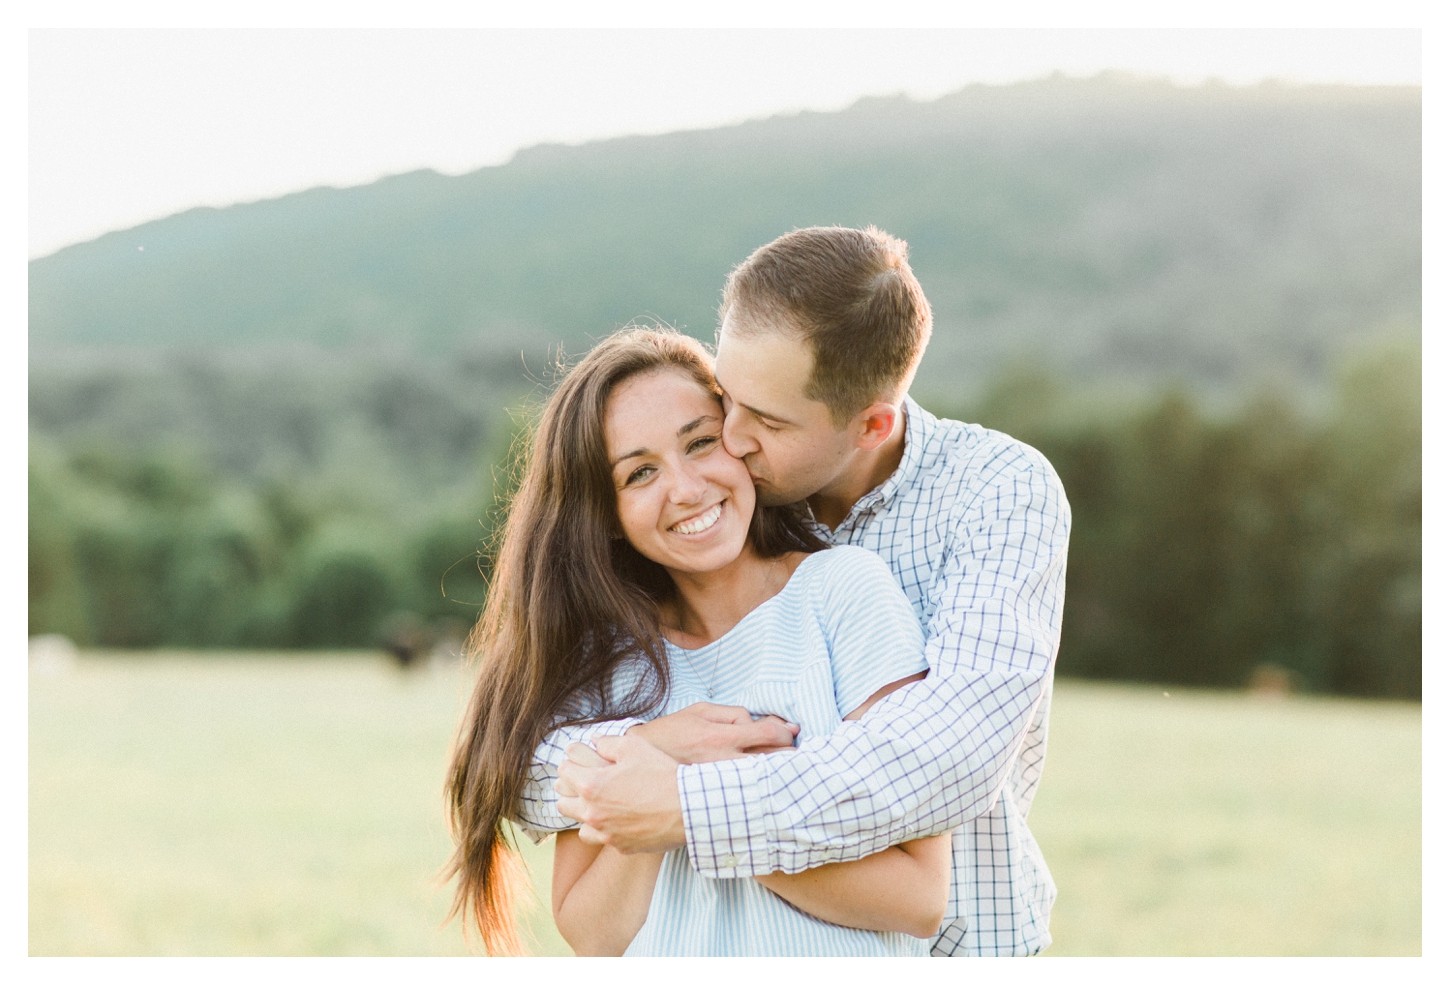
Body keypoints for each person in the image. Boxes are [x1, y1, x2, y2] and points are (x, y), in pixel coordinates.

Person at [528, 226, 1072, 956]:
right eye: (727, 397)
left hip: (965, 950)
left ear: (871, 423)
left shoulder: (994, 495)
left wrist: (689, 802)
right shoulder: (691, 553)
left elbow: (941, 760)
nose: (733, 438)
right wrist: (642, 751)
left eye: (768, 420)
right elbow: (525, 763)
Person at [445, 327, 952, 956]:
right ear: (605, 513)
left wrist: (684, 801)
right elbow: (595, 935)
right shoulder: (609, 664)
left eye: (701, 442)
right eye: (639, 474)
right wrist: (652, 758)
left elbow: (919, 898)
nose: (685, 489)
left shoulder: (843, 591)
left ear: (741, 440)